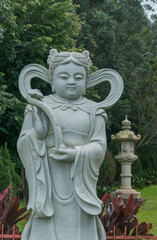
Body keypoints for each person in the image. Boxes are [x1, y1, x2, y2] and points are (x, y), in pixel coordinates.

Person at [18, 50, 122, 240]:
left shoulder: (94, 110)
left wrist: (76, 154)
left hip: (80, 184)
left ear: (86, 82)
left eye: (78, 77)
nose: (71, 81)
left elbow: (99, 146)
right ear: (53, 81)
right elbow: (24, 143)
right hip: (48, 181)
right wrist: (38, 134)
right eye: (64, 76)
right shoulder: (38, 106)